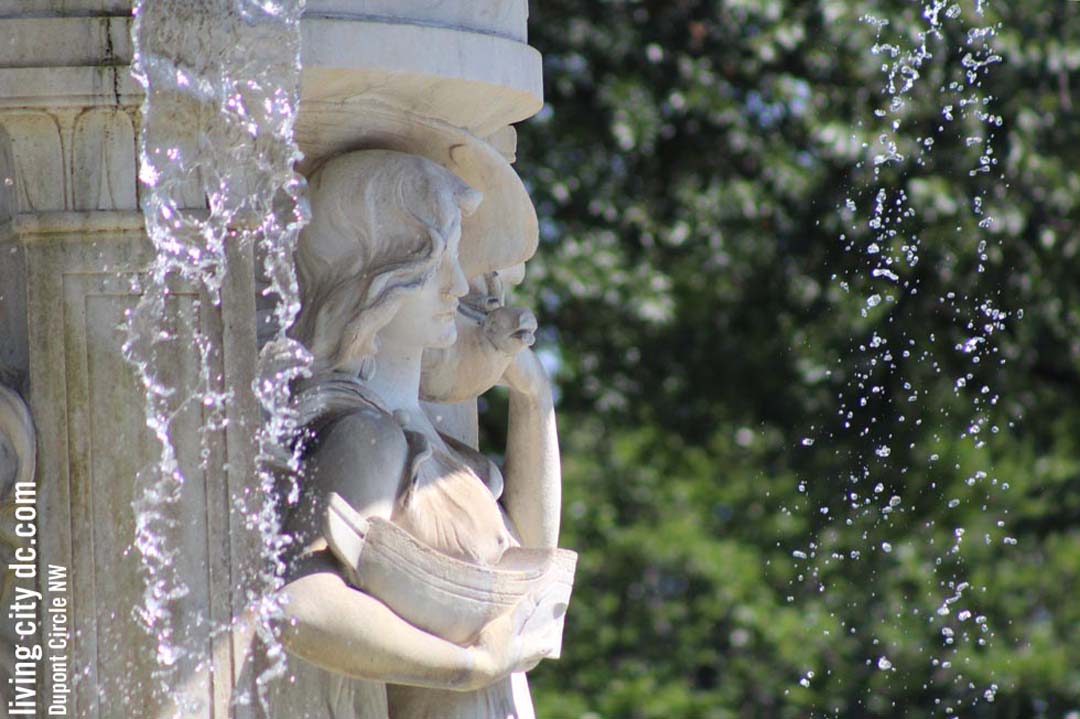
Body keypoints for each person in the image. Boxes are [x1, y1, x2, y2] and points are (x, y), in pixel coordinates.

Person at [269, 149, 563, 719]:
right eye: (436, 262)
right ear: (373, 278)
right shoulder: (368, 437)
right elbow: (301, 605)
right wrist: (468, 667)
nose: (458, 286)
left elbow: (532, 568)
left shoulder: (435, 447)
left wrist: (534, 400)